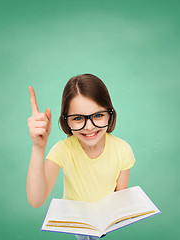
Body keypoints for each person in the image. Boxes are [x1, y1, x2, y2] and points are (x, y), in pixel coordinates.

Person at [27, 74, 136, 240]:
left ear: (110, 114)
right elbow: (36, 200)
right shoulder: (63, 150)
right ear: (67, 121)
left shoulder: (123, 150)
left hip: (106, 224)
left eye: (98, 115)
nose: (90, 127)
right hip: (77, 224)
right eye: (78, 118)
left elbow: (120, 194)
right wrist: (38, 147)